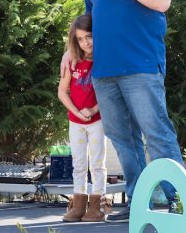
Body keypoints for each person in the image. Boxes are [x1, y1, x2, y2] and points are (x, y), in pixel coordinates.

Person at [60, 0, 183, 223]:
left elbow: (162, 1)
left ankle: (177, 203)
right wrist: (70, 48)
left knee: (156, 134)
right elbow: (89, 18)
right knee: (122, 139)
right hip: (103, 70)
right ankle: (141, 200)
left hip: (140, 66)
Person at [58, 14, 110, 222]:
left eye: (89, 37)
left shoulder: (103, 60)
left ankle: (97, 205)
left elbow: (108, 93)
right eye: (79, 39)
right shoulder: (71, 62)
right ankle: (78, 205)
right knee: (78, 163)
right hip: (76, 122)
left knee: (97, 162)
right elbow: (62, 92)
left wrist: (93, 109)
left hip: (96, 121)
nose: (85, 43)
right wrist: (77, 112)